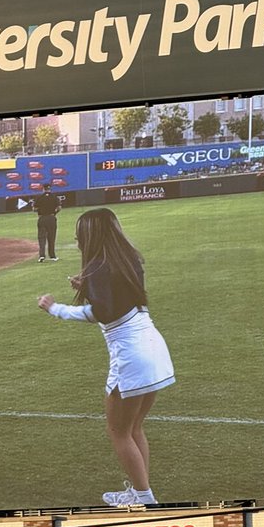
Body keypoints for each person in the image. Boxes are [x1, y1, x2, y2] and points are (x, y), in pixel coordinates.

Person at [37, 207, 175, 506]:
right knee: (134, 427)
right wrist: (87, 286)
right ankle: (141, 494)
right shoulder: (128, 260)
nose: (77, 243)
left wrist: (55, 309)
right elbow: (120, 298)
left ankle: (144, 500)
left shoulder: (99, 265)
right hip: (153, 345)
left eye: (79, 237)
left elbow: (105, 312)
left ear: (91, 236)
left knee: (118, 431)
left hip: (132, 355)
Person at [30, 184, 62, 261]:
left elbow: (34, 209)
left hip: (42, 218)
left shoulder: (39, 197)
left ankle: (42, 256)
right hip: (51, 218)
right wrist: (54, 213)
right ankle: (52, 256)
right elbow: (59, 208)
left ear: (43, 189)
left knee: (41, 238)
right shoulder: (54, 197)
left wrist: (40, 210)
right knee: (51, 237)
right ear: (50, 189)